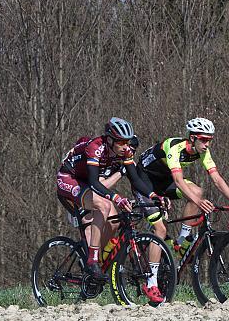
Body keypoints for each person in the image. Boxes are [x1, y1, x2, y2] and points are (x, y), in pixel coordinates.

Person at [56, 118, 167, 303]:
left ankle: (94, 257)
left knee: (114, 219)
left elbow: (136, 180)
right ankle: (92, 260)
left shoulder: (124, 152)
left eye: (128, 142)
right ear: (109, 140)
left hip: (86, 184)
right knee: (105, 205)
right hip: (69, 178)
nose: (126, 147)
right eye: (122, 142)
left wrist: (154, 195)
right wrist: (116, 197)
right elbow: (93, 182)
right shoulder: (95, 147)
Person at [134, 118, 229, 281]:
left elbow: (217, 179)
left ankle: (181, 241)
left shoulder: (203, 152)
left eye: (210, 140)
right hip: (145, 181)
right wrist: (198, 201)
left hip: (165, 180)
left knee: (197, 192)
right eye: (204, 139)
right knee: (161, 229)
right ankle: (151, 280)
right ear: (193, 138)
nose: (207, 144)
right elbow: (179, 180)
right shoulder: (174, 147)